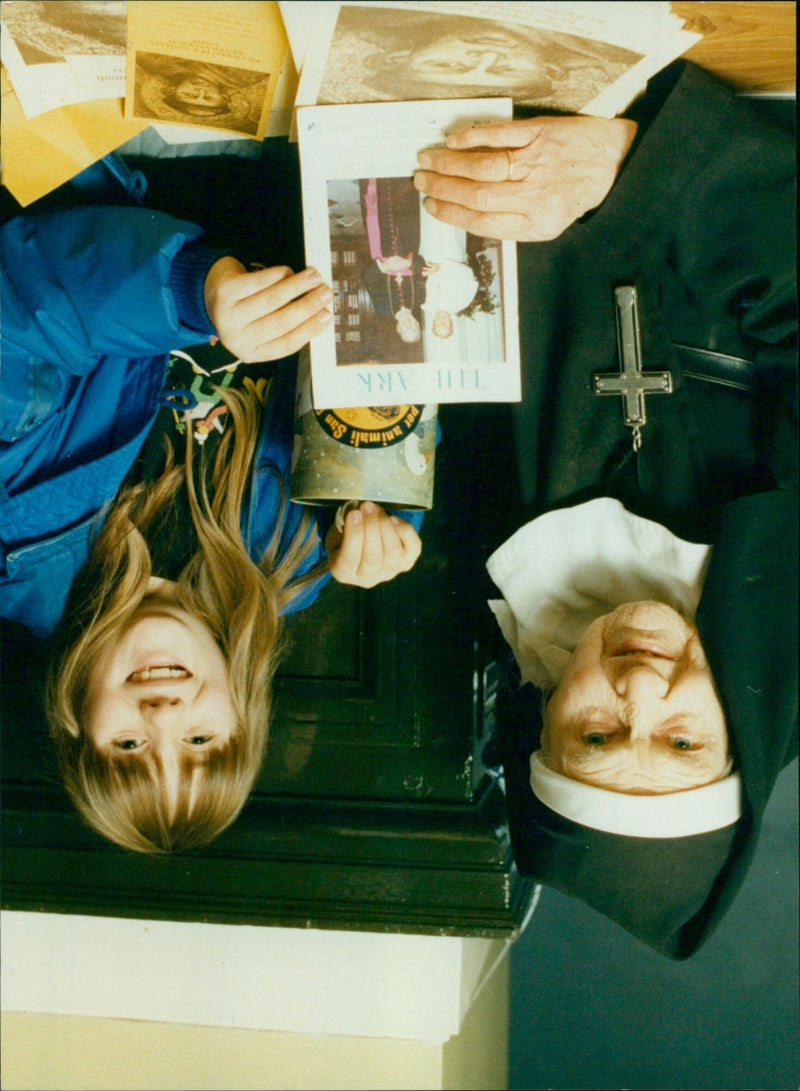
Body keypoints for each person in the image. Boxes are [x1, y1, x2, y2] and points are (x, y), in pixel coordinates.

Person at [414, 60, 797, 958]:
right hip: (690, 57)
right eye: (682, 740)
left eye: (596, 734)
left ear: (541, 720)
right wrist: (629, 168)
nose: (639, 690)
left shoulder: (467, 560)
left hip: (464, 84)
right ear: (735, 734)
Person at [0, 168, 422, 854]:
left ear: (78, 717)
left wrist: (191, 290)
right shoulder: (297, 558)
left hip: (110, 145)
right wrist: (379, 498)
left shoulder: (16, 531)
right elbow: (400, 340)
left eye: (129, 744)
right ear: (240, 715)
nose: (165, 715)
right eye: (200, 740)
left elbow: (12, 311)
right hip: (307, 161)